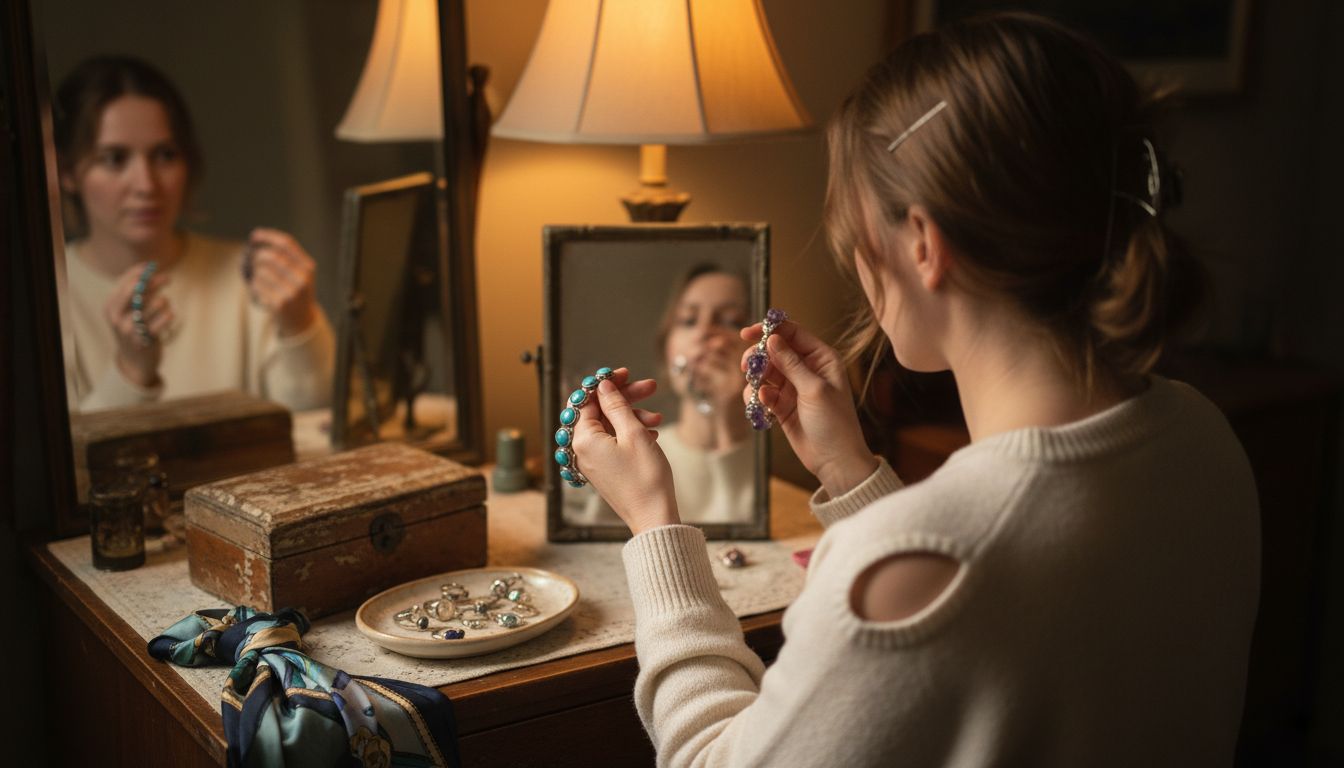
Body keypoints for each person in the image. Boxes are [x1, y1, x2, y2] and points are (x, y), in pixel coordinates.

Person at [570, 13, 1260, 767]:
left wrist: (654, 529)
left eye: (855, 231)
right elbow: (991, 634)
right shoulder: (1202, 440)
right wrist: (852, 473)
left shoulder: (910, 559)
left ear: (925, 246)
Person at [54, 55, 334, 413]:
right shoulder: (44, 304)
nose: (145, 184)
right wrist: (129, 374)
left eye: (165, 155)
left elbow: (320, 424)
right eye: (114, 159)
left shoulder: (246, 276)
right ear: (67, 173)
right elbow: (66, 466)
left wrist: (299, 324)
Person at [567, 264, 755, 526]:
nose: (703, 332)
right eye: (688, 320)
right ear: (667, 348)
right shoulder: (632, 456)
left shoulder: (770, 469)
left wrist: (723, 420)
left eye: (730, 321)